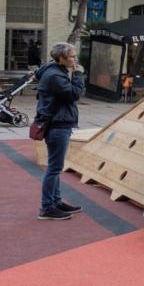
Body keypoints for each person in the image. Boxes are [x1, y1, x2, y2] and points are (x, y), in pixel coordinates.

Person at [35, 43, 86, 221]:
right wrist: (79, 74)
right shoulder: (55, 75)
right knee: (54, 168)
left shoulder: (55, 71)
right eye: (72, 56)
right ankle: (47, 207)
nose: (75, 59)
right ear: (61, 58)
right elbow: (74, 93)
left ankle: (56, 201)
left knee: (55, 167)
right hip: (58, 125)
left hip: (58, 123)